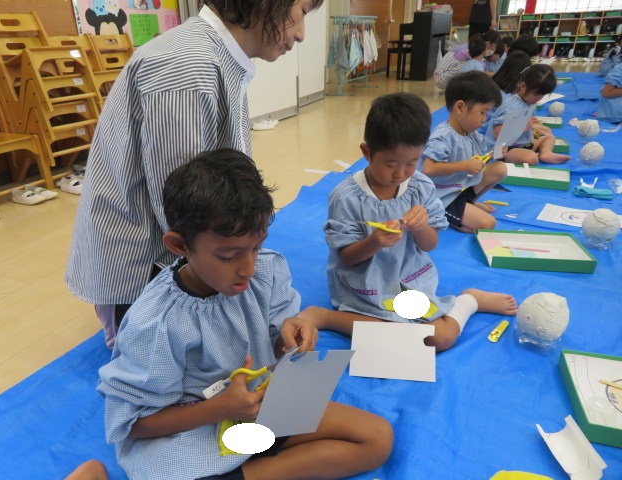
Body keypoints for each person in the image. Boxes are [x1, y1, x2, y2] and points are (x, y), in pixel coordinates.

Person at [97, 149, 393, 480]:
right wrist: (219, 408)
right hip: (192, 433)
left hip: (258, 407)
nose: (248, 268)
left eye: (256, 247)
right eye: (228, 256)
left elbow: (278, 341)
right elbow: (134, 424)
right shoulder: (155, 323)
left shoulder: (266, 271)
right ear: (179, 245)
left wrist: (291, 336)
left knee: (376, 438)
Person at [65, 0, 324, 349]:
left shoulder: (214, 57)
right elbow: (185, 210)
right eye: (303, 11)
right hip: (145, 268)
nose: (301, 33)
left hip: (189, 251)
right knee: (200, 366)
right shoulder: (187, 66)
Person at [317, 93, 517, 353]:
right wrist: (374, 242)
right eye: (390, 164)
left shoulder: (420, 186)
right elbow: (346, 258)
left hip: (408, 278)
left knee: (436, 338)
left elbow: (429, 244)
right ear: (367, 152)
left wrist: (421, 226)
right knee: (427, 337)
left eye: (412, 163)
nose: (400, 174)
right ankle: (329, 317)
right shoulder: (347, 197)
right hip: (364, 283)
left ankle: (469, 300)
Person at [420, 72, 506, 233]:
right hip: (442, 195)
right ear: (460, 107)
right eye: (482, 112)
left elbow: (477, 163)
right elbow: (428, 169)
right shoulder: (443, 136)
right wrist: (465, 166)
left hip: (459, 189)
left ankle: (468, 204)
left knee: (500, 168)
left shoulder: (472, 135)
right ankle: (444, 212)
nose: (484, 119)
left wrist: (491, 155)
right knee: (488, 224)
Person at [485, 64, 570, 165]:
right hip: (504, 149)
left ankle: (546, 153)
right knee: (531, 158)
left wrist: (532, 127)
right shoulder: (511, 107)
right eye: (536, 94)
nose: (538, 98)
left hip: (522, 143)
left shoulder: (529, 101)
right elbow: (497, 134)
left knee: (548, 135)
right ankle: (536, 155)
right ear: (522, 86)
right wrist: (522, 127)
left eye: (542, 95)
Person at [434, 30, 500, 90]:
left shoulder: (471, 45)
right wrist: (497, 75)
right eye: (494, 46)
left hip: (440, 76)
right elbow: (480, 72)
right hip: (442, 79)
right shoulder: (472, 50)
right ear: (488, 43)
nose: (494, 49)